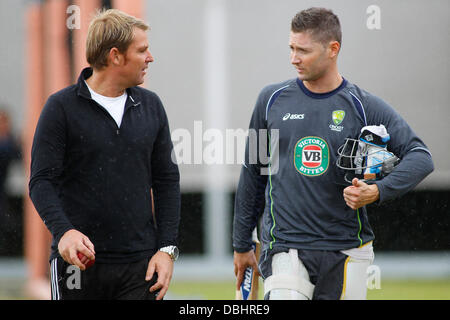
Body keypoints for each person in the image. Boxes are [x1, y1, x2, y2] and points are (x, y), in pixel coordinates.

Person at [233, 7, 434, 300]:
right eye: (291, 48)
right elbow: (253, 172)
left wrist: (376, 191)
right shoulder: (270, 100)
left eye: (303, 50)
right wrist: (241, 244)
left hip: (347, 249)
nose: (294, 58)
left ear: (332, 49)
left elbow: (420, 156)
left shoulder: (363, 106)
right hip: (285, 246)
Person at [29, 9, 181, 300]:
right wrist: (64, 232)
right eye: (142, 50)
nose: (150, 57)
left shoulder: (151, 106)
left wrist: (166, 249)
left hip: (141, 267)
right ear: (115, 56)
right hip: (76, 266)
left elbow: (167, 182)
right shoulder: (60, 108)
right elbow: (41, 182)